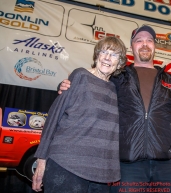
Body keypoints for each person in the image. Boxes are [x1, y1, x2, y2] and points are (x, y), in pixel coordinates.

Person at [59, 25, 171, 193]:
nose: (144, 44)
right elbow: (91, 84)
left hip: (166, 165)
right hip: (126, 165)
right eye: (139, 41)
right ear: (132, 47)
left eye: (149, 40)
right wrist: (65, 85)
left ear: (155, 46)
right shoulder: (118, 76)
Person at [32, 36, 127, 193]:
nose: (107, 57)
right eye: (104, 51)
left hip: (102, 174)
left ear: (120, 63)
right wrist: (41, 160)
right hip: (66, 165)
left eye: (114, 54)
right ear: (97, 55)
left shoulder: (115, 89)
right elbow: (54, 117)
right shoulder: (80, 76)